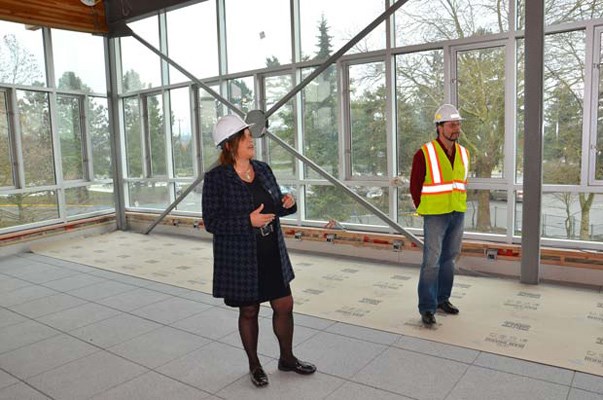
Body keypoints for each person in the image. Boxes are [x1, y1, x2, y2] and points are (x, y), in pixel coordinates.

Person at [202, 114, 316, 387]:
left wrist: (287, 203)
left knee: (284, 304)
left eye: (249, 135)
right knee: (250, 310)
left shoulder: (263, 169)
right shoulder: (216, 179)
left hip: (270, 252)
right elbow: (212, 222)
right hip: (241, 258)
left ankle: (286, 358)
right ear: (229, 145)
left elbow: (276, 205)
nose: (251, 140)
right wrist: (246, 222)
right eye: (244, 137)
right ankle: (254, 365)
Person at [409, 104, 470, 326]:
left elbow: (462, 182)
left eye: (458, 124)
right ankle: (427, 307)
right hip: (435, 214)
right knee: (431, 261)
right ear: (439, 127)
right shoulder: (424, 153)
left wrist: (458, 205)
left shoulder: (464, 153)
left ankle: (443, 299)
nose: (456, 129)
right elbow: (415, 186)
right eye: (452, 125)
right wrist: (424, 207)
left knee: (449, 258)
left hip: (457, 211)